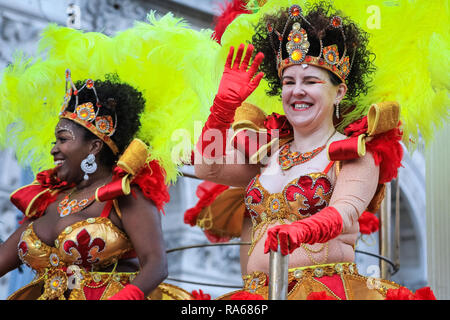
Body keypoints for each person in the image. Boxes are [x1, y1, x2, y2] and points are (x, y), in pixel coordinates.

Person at [190, 1, 419, 300]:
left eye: (310, 81)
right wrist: (222, 109)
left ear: (339, 92)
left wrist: (302, 231)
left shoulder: (354, 151)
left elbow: (344, 212)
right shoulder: (270, 151)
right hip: (260, 295)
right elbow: (207, 169)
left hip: (326, 291)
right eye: (288, 82)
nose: (297, 91)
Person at [0, 13, 218, 300]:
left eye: (63, 139)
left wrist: (127, 296)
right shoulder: (48, 200)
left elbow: (156, 264)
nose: (53, 148)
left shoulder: (124, 195)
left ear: (94, 147)